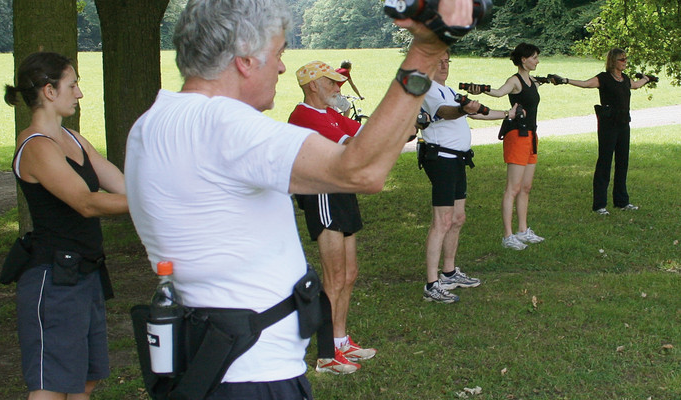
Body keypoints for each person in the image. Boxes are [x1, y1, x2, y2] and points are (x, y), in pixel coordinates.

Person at [124, 0, 473, 398]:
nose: (282, 68)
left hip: (205, 363)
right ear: (244, 57)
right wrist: (424, 53)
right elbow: (363, 171)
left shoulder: (152, 122)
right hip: (253, 375)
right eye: (278, 54)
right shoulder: (224, 125)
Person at [4, 52, 128, 399]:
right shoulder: (36, 147)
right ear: (48, 91)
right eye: (72, 85)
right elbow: (87, 203)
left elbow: (123, 186)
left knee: (84, 382)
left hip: (86, 274)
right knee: (51, 386)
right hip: (52, 280)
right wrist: (153, 202)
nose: (79, 94)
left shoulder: (73, 139)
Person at [289, 61, 376, 375]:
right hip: (323, 195)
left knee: (349, 272)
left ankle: (340, 341)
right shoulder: (304, 115)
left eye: (340, 83)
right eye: (332, 83)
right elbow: (354, 146)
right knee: (334, 276)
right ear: (313, 85)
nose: (339, 89)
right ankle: (326, 355)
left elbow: (367, 134)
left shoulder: (329, 113)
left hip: (342, 191)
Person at [420, 49, 519, 303]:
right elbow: (445, 112)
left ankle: (449, 272)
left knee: (458, 218)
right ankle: (432, 285)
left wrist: (507, 114)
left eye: (446, 61)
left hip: (458, 160)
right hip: (440, 159)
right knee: (441, 221)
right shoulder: (428, 89)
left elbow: (476, 111)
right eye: (438, 61)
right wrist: (464, 109)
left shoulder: (450, 90)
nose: (443, 66)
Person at [551, 48, 653, 215]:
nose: (625, 61)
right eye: (622, 59)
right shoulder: (604, 78)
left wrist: (646, 79)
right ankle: (600, 205)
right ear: (613, 61)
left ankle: (621, 201)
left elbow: (635, 85)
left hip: (623, 124)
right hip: (608, 125)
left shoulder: (625, 79)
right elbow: (585, 84)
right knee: (605, 162)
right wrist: (565, 80)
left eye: (626, 59)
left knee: (623, 162)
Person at [469, 42, 545, 251]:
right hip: (516, 135)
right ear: (524, 59)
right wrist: (481, 90)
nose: (537, 61)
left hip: (531, 135)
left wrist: (553, 80)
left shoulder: (533, 80)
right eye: (534, 57)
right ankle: (507, 236)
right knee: (513, 188)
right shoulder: (515, 81)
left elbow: (542, 83)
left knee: (526, 187)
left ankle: (522, 230)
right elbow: (498, 93)